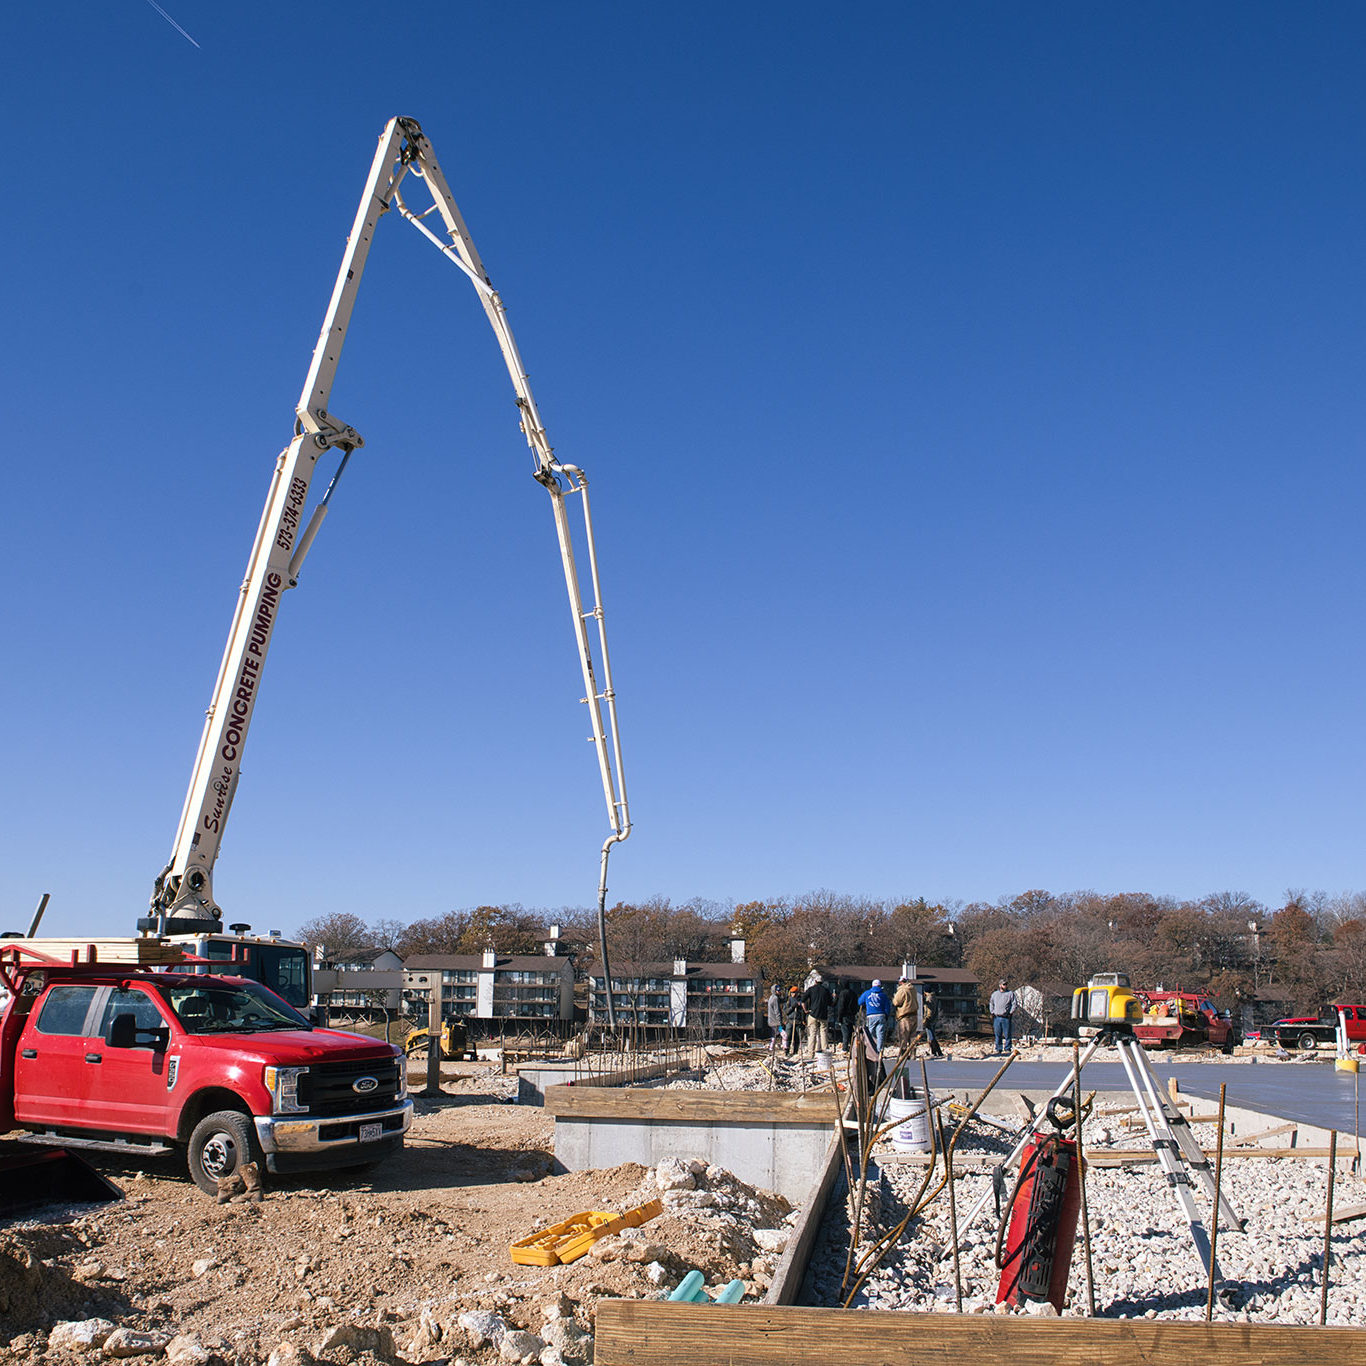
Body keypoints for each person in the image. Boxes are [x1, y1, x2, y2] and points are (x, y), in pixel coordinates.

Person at [802, 973, 834, 1057]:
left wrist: (805, 1010)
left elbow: (802, 1000)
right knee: (823, 1033)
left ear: (815, 981)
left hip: (813, 1014)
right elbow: (831, 1003)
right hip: (823, 1015)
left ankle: (810, 1053)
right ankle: (825, 1052)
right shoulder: (826, 991)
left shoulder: (811, 989)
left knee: (812, 1033)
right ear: (822, 982)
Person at [858, 978, 891, 1053]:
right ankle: (879, 1051)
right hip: (881, 1015)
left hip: (871, 1015)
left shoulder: (867, 993)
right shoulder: (883, 995)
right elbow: (887, 1007)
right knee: (880, 1034)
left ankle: (870, 1050)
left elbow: (860, 1002)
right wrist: (886, 1015)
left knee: (870, 1034)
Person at [989, 979, 1016, 1054]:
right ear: (1000, 985)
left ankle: (1007, 1048)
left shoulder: (1010, 993)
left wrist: (1010, 1013)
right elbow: (991, 1003)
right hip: (997, 1017)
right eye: (1004, 984)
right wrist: (992, 1012)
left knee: (1007, 1034)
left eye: (1006, 984)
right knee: (998, 1034)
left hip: (1006, 1017)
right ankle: (998, 1048)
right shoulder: (995, 994)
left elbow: (1014, 1004)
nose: (1005, 986)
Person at [893, 976, 919, 1051]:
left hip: (905, 1016)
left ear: (901, 982)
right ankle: (913, 1054)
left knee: (903, 1037)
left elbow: (896, 1002)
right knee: (913, 1037)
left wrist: (894, 997)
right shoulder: (913, 989)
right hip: (914, 1015)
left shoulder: (902, 990)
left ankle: (903, 1055)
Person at [834, 978, 857, 1052]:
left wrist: (839, 1017)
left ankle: (845, 1048)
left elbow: (841, 1006)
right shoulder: (853, 993)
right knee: (851, 1032)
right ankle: (852, 1047)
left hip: (845, 1015)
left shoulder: (843, 993)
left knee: (845, 1033)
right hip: (852, 1015)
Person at [782, 986, 804, 1056]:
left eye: (794, 992)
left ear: (797, 993)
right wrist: (792, 1007)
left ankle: (795, 1051)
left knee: (797, 1037)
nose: (793, 994)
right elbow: (786, 1012)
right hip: (790, 1021)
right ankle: (787, 1051)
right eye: (792, 992)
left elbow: (803, 1011)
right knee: (788, 1036)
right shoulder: (788, 1001)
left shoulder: (801, 1000)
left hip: (798, 1021)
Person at [922, 989, 944, 1057]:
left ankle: (936, 1052)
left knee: (931, 1038)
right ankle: (937, 1052)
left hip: (930, 1020)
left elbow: (930, 1010)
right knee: (932, 1037)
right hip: (933, 1020)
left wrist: (927, 1019)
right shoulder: (933, 997)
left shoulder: (929, 998)